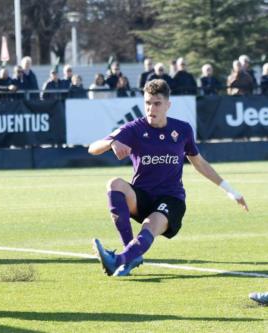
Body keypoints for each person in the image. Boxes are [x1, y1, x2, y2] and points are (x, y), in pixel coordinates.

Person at [88, 79, 248, 277]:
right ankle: (130, 252)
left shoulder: (182, 130)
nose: (150, 108)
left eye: (156, 103)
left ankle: (120, 260)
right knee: (114, 184)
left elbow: (199, 163)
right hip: (142, 197)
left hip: (171, 200)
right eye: (147, 103)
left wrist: (230, 191)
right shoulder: (134, 128)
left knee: (149, 226)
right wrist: (111, 142)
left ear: (167, 105)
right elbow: (92, 148)